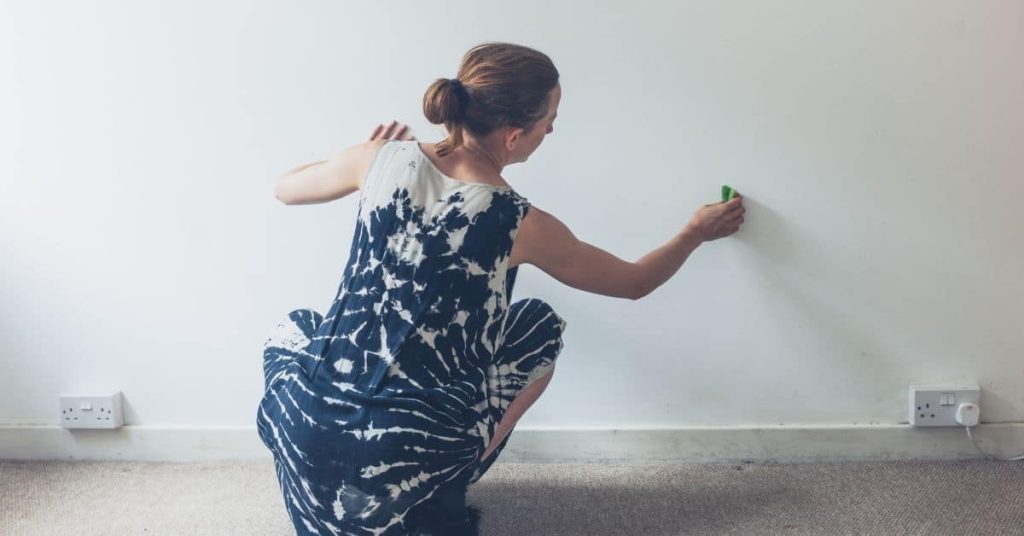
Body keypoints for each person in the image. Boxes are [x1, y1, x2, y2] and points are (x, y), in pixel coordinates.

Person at [259, 42, 745, 536]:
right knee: (539, 327)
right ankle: (447, 472)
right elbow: (634, 283)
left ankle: (351, 471)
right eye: (549, 119)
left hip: (306, 434)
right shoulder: (517, 221)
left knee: (295, 326)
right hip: (400, 454)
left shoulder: (377, 159)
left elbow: (284, 188)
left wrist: (363, 159)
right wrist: (694, 233)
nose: (551, 128)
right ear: (515, 136)